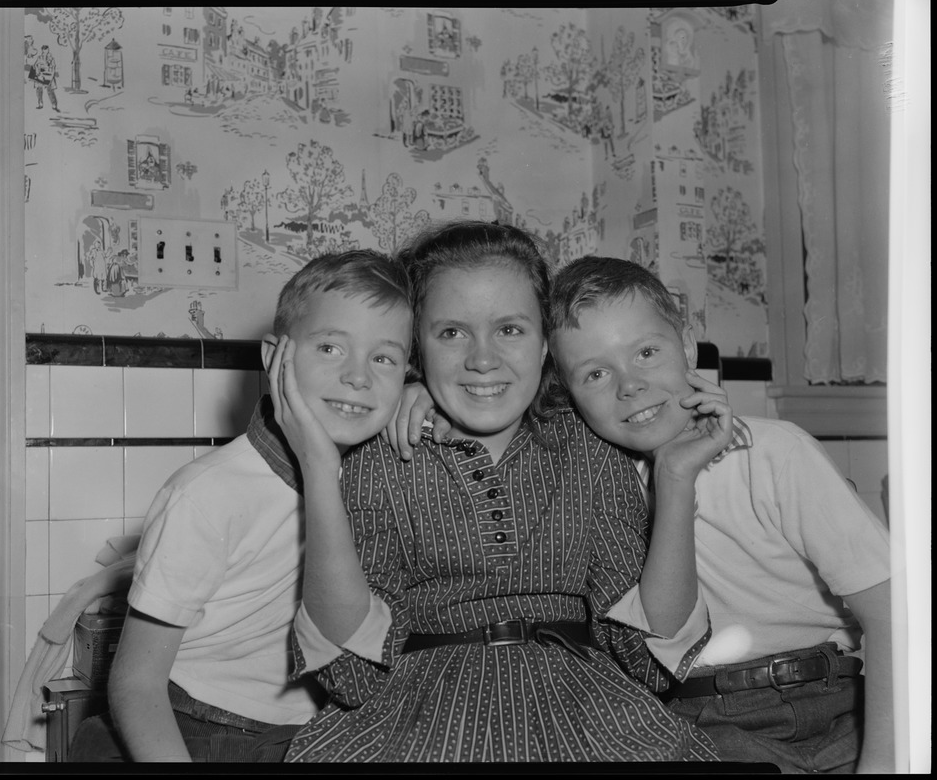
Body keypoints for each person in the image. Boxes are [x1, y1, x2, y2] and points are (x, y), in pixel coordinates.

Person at [268, 221, 723, 763]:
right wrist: (320, 469)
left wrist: (674, 480)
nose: (482, 359)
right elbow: (351, 674)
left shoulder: (590, 448)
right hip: (417, 722)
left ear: (545, 345)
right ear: (418, 347)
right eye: (452, 333)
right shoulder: (381, 458)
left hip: (591, 716)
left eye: (509, 329)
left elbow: (651, 658)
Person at [547, 256, 894, 774]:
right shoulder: (599, 486)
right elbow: (662, 640)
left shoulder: (776, 452)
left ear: (686, 348)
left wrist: (883, 766)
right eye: (595, 373)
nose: (629, 385)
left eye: (646, 352)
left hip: (841, 703)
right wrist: (674, 477)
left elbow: (891, 613)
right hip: (703, 721)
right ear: (568, 396)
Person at [104, 250, 415, 762]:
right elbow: (135, 683)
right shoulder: (208, 493)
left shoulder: (375, 471)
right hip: (202, 729)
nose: (359, 377)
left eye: (383, 358)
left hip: (316, 732)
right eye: (331, 348)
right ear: (274, 357)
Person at [31, 44, 59, 112]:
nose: (46, 51)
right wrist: (38, 69)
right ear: (42, 50)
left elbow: (53, 67)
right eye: (44, 50)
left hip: (48, 75)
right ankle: (40, 103)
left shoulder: (51, 58)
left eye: (47, 50)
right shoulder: (39, 57)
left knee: (50, 90)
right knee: (39, 89)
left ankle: (54, 105)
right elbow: (35, 65)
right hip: (40, 75)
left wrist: (49, 69)